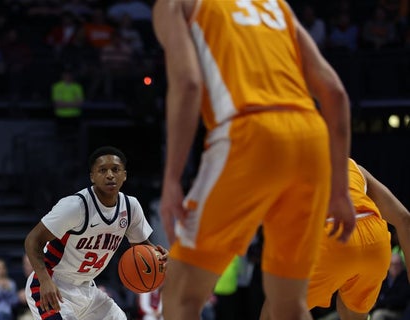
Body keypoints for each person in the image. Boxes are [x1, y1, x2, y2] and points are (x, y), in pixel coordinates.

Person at [152, 1, 356, 319]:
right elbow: (335, 92)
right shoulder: (277, 6)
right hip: (310, 140)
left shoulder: (174, 4)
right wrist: (340, 190)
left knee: (180, 295)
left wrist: (171, 179)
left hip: (248, 135)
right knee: (290, 304)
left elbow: (188, 84)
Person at [23, 146, 168, 320]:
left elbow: (142, 249)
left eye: (115, 169)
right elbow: (33, 240)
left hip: (87, 289)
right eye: (102, 170)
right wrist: (45, 280)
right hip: (52, 284)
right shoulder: (76, 206)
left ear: (124, 175)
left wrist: (161, 259)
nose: (109, 175)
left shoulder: (130, 207)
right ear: (92, 177)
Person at [295, 159, 410, 320]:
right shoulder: (353, 167)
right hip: (375, 242)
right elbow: (404, 219)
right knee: (352, 313)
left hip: (333, 237)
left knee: (275, 309)